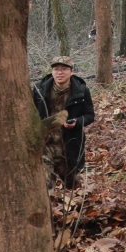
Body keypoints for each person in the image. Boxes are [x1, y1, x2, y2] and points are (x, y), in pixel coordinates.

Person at [33, 55, 96, 191]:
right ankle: (49, 210)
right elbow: (30, 114)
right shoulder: (39, 90)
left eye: (64, 69)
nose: (59, 72)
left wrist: (77, 122)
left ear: (71, 71)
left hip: (69, 144)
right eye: (56, 69)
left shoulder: (81, 91)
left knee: (73, 187)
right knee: (45, 186)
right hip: (45, 144)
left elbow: (90, 115)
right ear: (52, 71)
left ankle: (71, 209)